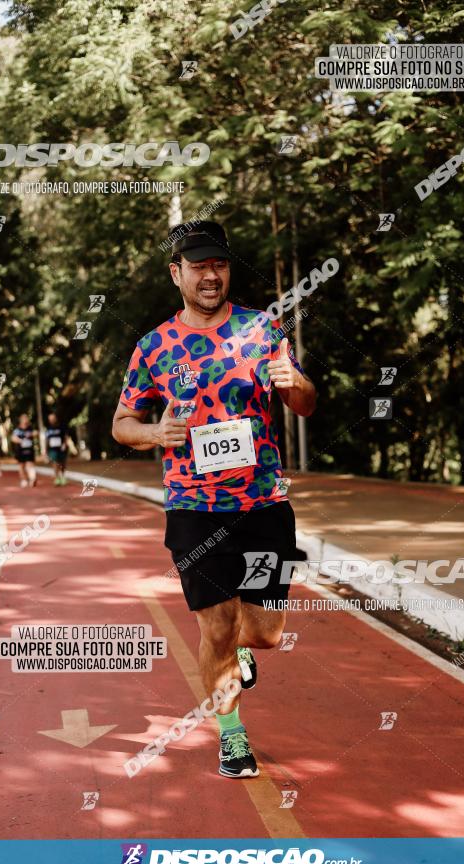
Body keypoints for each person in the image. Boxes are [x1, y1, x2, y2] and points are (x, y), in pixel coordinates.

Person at [112, 220, 316, 779]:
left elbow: (305, 404)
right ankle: (231, 736)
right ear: (176, 273)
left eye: (218, 264)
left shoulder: (262, 328)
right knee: (216, 629)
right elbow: (122, 423)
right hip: (193, 507)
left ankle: (245, 654)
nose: (210, 274)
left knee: (265, 633)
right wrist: (155, 434)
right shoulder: (153, 346)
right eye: (198, 265)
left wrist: (292, 382)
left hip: (263, 502)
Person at [11, 414, 37, 488]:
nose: (25, 420)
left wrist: (31, 434)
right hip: (20, 451)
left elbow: (36, 433)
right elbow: (13, 438)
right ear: (20, 420)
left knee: (30, 464)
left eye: (26, 418)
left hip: (29, 450)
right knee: (21, 466)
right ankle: (24, 480)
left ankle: (32, 479)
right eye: (23, 418)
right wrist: (20, 440)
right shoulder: (17, 430)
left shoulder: (30, 428)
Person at [45, 412, 68, 486]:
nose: (51, 420)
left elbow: (65, 437)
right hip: (52, 449)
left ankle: (62, 476)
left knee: (62, 463)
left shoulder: (61, 427)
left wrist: (64, 444)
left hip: (61, 448)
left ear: (56, 419)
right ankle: (57, 478)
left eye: (53, 418)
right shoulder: (48, 429)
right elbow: (46, 440)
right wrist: (45, 450)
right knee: (55, 462)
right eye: (50, 419)